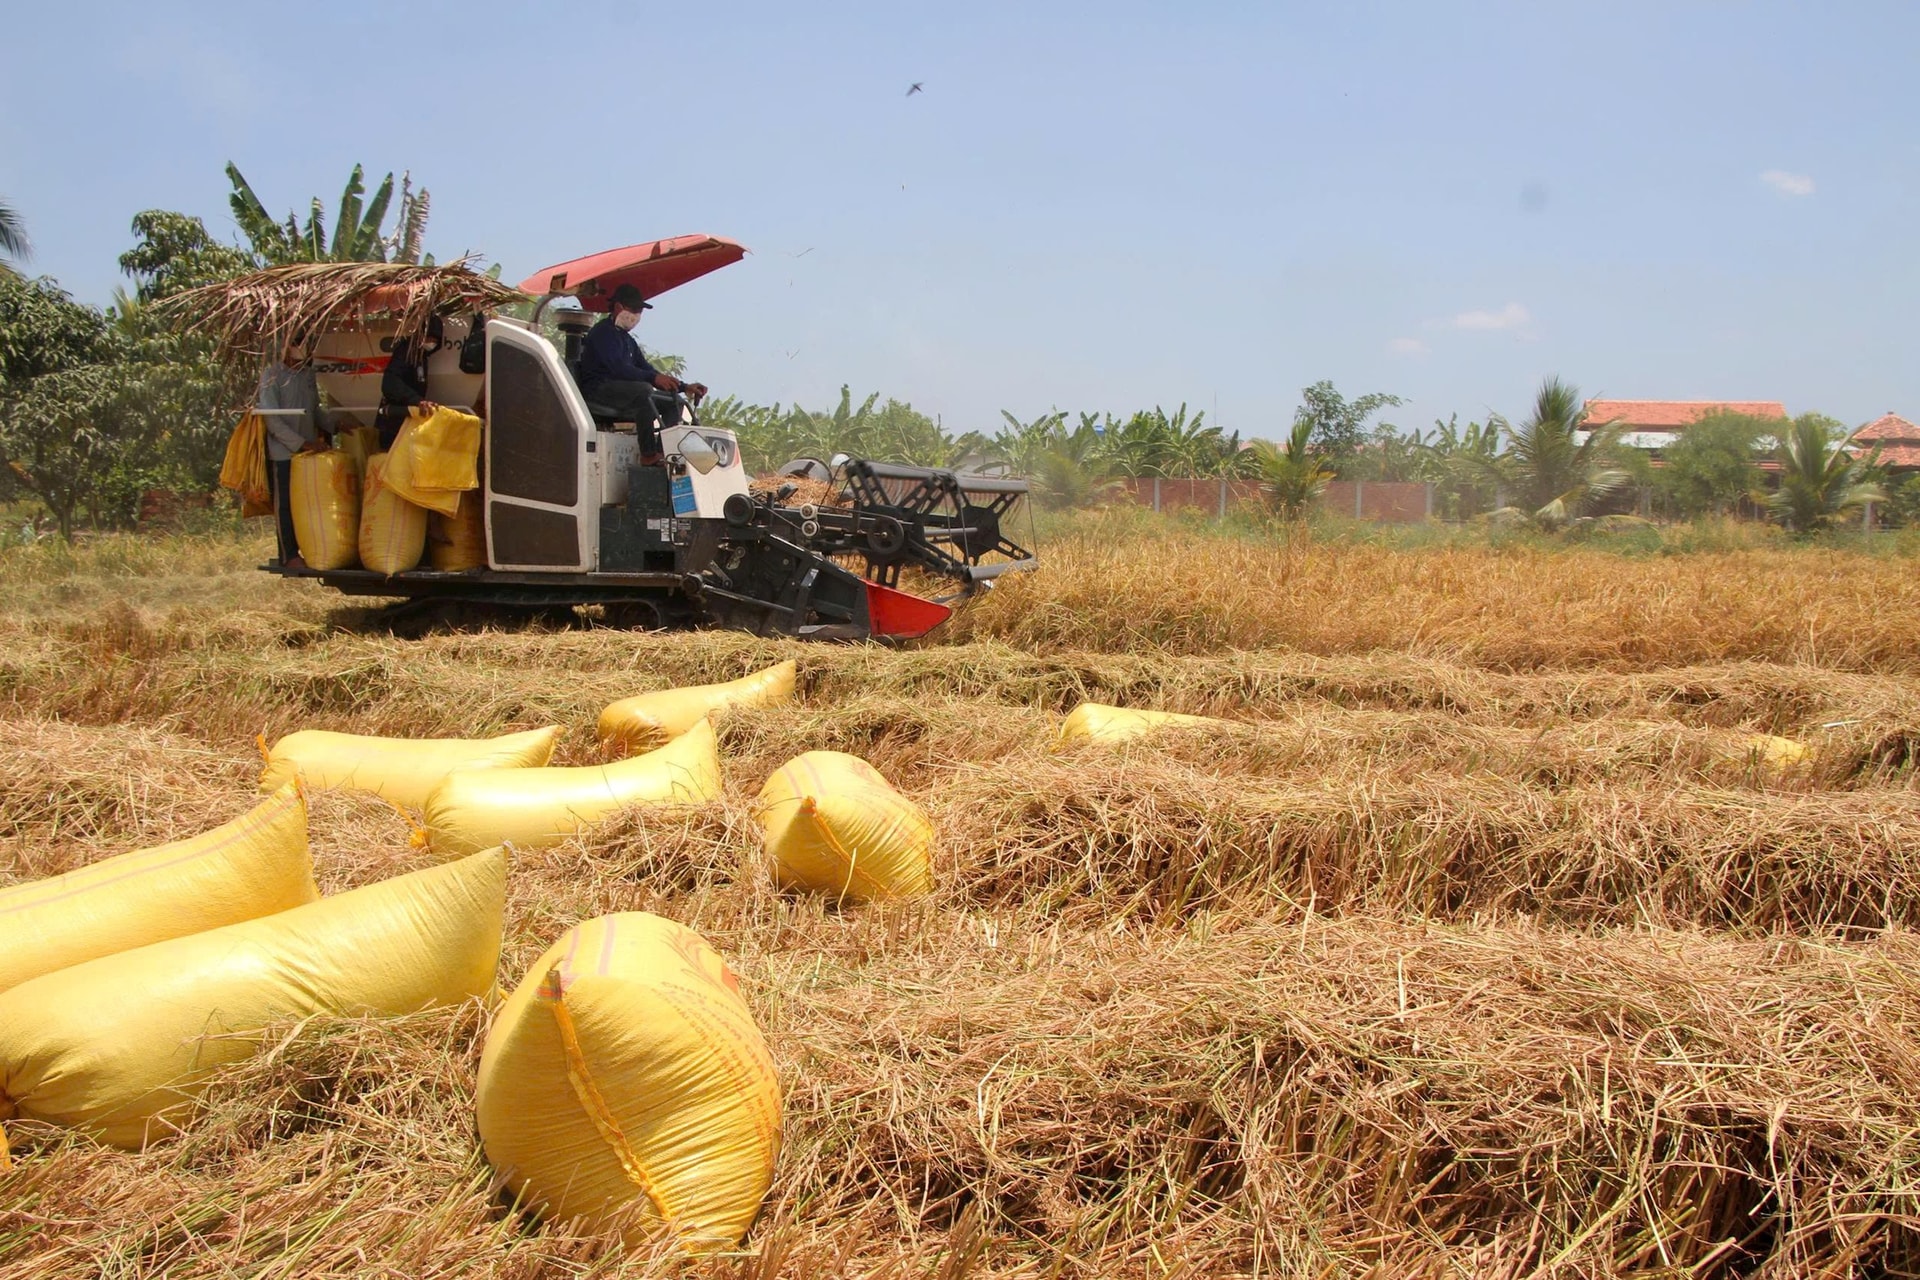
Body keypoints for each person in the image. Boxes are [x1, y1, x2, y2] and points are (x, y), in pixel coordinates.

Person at [575, 284, 707, 448]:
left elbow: (646, 369)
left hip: (622, 392)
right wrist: (653, 378)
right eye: (634, 309)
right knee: (644, 391)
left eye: (639, 311)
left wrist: (683, 387)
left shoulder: (628, 341)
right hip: (599, 389)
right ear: (618, 307)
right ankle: (648, 453)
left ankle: (664, 450)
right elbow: (618, 369)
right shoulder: (603, 333)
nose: (636, 315)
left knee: (675, 403)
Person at [257, 335, 327, 569]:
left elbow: (314, 410)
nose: (301, 349)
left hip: (307, 455)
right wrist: (301, 444)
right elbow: (272, 421)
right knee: (285, 505)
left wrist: (337, 425)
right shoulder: (272, 376)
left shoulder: (308, 375)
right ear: (286, 348)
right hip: (284, 453)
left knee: (307, 504)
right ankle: (289, 555)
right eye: (297, 344)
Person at [374, 315, 443, 449]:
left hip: (407, 424)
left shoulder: (422, 356)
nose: (431, 342)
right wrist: (416, 400)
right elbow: (390, 383)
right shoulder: (406, 351)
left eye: (435, 340)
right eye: (429, 337)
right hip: (393, 424)